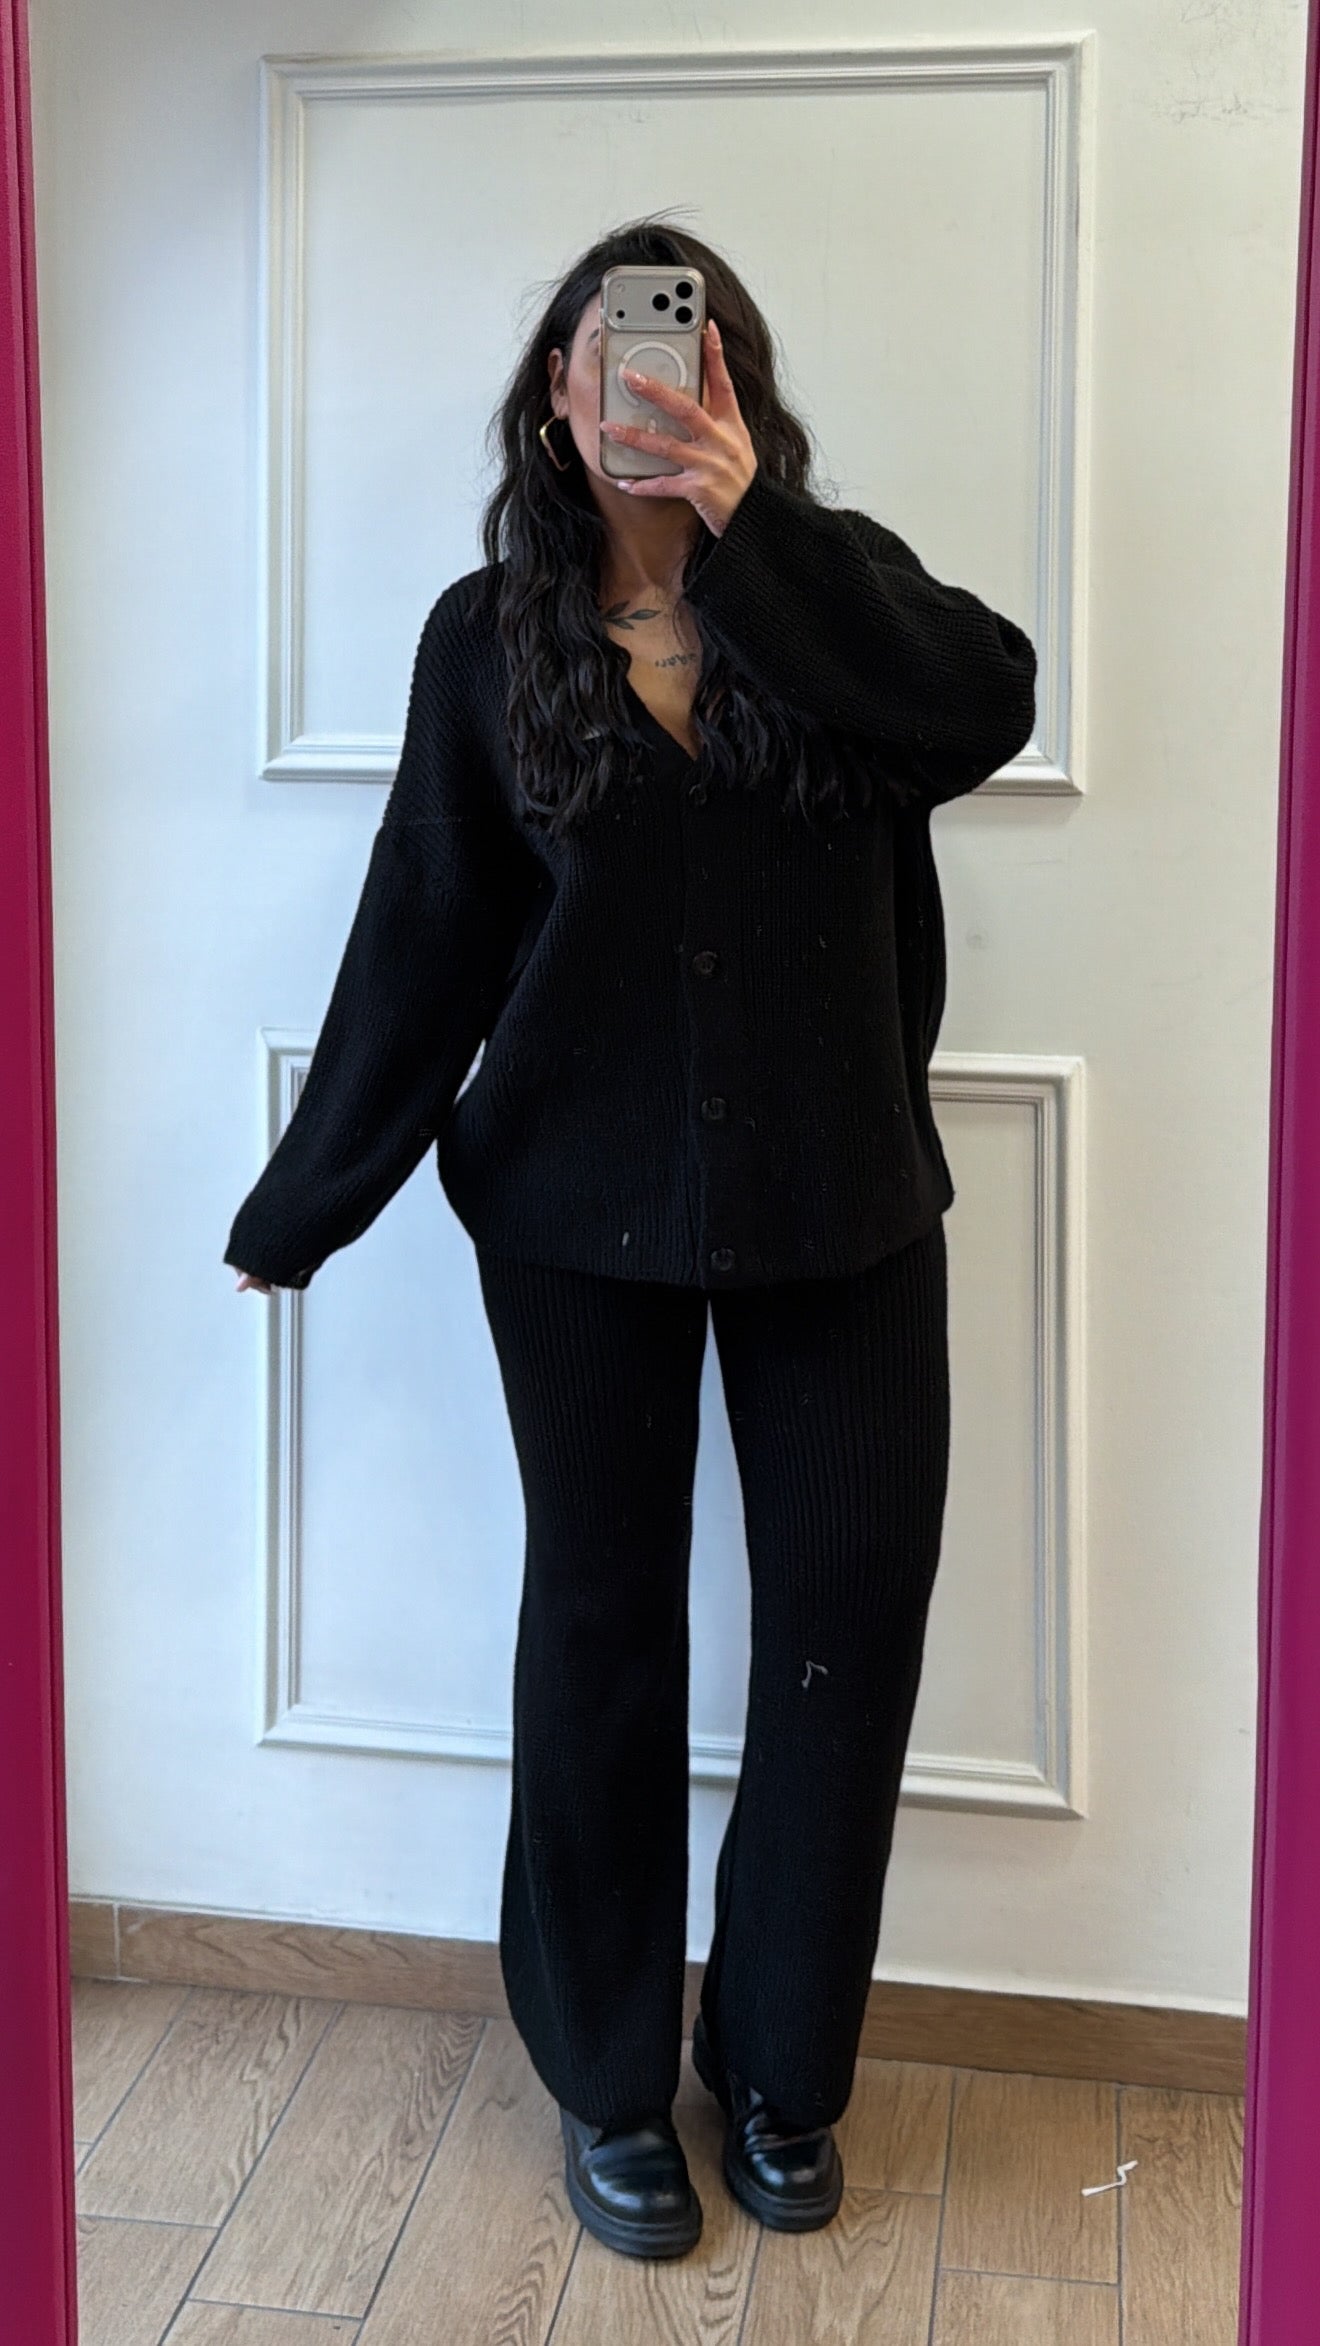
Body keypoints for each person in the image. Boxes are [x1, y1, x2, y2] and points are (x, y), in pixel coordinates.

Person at [225, 217, 1037, 2262]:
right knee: (598, 1632)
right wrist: (308, 1199)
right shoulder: (485, 640)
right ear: (558, 396)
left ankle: (778, 2070)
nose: (645, 392)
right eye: (614, 360)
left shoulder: (834, 600)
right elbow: (424, 940)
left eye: (686, 362)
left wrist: (757, 531)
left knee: (845, 1632)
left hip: (845, 1209)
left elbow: (986, 702)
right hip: (575, 1219)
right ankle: (608, 2082)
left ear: (733, 386)